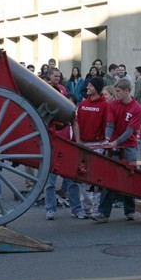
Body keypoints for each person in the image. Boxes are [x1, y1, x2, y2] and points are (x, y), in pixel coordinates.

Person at [91, 79, 141, 223]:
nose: (116, 94)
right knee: (109, 177)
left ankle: (130, 211)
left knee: (130, 176)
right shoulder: (113, 104)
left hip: (129, 145)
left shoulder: (136, 108)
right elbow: (110, 124)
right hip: (113, 143)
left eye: (118, 92)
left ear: (126, 91)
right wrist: (107, 139)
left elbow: (130, 131)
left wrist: (115, 142)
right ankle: (103, 213)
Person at [45, 67, 83, 219]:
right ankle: (50, 209)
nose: (57, 78)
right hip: (51, 139)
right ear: (49, 77)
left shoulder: (63, 90)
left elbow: (71, 116)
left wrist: (77, 141)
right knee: (50, 182)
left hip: (65, 138)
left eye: (59, 76)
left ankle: (76, 208)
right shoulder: (45, 90)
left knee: (72, 179)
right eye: (55, 76)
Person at [74, 77, 108, 217]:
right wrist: (78, 141)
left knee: (96, 178)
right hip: (83, 144)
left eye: (90, 85)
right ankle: (86, 207)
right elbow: (76, 123)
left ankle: (96, 209)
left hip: (98, 144)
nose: (87, 87)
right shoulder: (83, 104)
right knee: (83, 178)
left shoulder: (105, 105)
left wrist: (106, 142)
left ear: (97, 88)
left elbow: (107, 125)